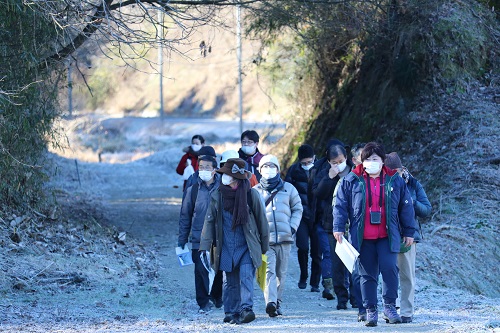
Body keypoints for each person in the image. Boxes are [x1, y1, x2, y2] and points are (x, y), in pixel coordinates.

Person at [333, 142, 416, 327]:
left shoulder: (395, 179)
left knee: (390, 270)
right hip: (363, 237)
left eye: (375, 159)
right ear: (362, 161)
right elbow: (340, 205)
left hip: (387, 236)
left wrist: (409, 231)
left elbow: (406, 206)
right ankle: (370, 310)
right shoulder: (351, 179)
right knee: (367, 275)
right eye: (368, 159)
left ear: (382, 160)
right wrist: (338, 227)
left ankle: (390, 307)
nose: (372, 162)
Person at [199, 158, 269, 324]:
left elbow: (262, 222)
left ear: (236, 178)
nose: (223, 177)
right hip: (226, 244)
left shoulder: (251, 195)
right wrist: (205, 246)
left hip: (246, 245)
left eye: (227, 174)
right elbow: (209, 221)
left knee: (245, 277)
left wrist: (264, 247)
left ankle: (246, 309)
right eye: (223, 174)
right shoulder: (218, 195)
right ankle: (231, 312)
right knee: (229, 282)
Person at [253, 155, 303, 317]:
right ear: (260, 170)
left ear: (278, 169)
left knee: (281, 273)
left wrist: (292, 227)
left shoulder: (289, 188)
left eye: (271, 166)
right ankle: (270, 302)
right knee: (268, 271)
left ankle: (277, 302)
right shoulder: (254, 192)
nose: (268, 169)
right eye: (265, 166)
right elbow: (250, 214)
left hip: (285, 238)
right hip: (264, 240)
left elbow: (298, 208)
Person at [385, 152, 431, 323]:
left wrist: (410, 201)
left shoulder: (413, 184)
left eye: (395, 172)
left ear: (402, 169)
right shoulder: (381, 182)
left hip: (408, 236)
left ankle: (406, 311)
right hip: (386, 235)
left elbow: (426, 210)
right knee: (388, 274)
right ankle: (389, 308)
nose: (392, 176)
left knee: (407, 275)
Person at [177, 155, 223, 313]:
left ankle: (217, 296)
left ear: (215, 170)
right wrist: (182, 239)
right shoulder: (193, 189)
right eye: (201, 167)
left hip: (219, 236)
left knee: (218, 269)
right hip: (199, 237)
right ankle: (203, 301)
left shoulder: (223, 187)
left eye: (207, 167)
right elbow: (185, 216)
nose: (203, 170)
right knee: (200, 270)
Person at [313, 143, 352, 309]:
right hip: (332, 224)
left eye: (341, 161)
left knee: (354, 263)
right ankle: (341, 298)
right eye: (334, 162)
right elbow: (318, 194)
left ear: (346, 158)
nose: (338, 164)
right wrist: (329, 177)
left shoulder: (354, 171)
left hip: (354, 223)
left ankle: (356, 297)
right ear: (329, 161)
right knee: (337, 263)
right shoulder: (324, 173)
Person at [284, 144, 321, 291]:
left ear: (314, 158)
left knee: (317, 252)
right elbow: (286, 192)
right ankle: (304, 275)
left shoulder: (321, 168)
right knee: (303, 247)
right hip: (300, 216)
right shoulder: (294, 170)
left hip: (318, 215)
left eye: (309, 162)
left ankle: (315, 282)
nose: (306, 165)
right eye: (303, 163)